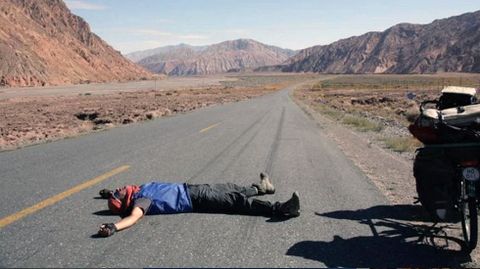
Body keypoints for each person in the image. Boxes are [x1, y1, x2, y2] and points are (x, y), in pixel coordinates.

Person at [97, 173, 300, 237]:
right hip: (195, 200)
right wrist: (113, 227)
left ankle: (260, 187)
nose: (119, 187)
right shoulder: (140, 201)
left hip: (192, 188)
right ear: (125, 200)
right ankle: (281, 208)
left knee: (230, 188)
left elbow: (116, 196)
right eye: (117, 192)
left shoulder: (137, 190)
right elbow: (133, 217)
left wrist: (107, 194)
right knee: (235, 202)